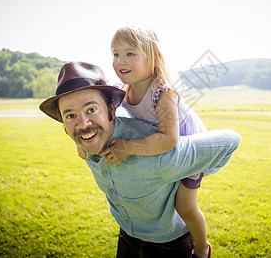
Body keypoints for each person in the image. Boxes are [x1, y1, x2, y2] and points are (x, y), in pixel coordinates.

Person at [39, 61, 241, 258]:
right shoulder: (89, 142)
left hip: (169, 247)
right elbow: (84, 129)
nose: (83, 124)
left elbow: (230, 140)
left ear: (111, 108)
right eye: (71, 116)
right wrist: (81, 141)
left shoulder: (155, 154)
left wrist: (194, 170)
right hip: (127, 237)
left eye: (91, 110)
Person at [95, 26, 210, 258]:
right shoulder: (123, 91)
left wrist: (128, 148)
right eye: (116, 54)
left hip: (188, 150)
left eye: (130, 53)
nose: (120, 60)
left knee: (184, 207)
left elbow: (169, 139)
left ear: (154, 58)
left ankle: (201, 249)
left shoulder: (163, 94)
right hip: (159, 149)